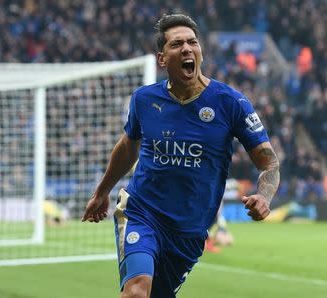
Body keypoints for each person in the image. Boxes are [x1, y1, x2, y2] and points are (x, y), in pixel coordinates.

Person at [82, 14, 280, 298]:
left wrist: (265, 195)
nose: (187, 48)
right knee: (137, 292)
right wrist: (102, 192)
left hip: (189, 232)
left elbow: (269, 162)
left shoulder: (231, 103)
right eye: (177, 44)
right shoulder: (144, 100)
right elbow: (128, 147)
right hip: (142, 212)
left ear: (200, 52)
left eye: (192, 42)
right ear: (163, 59)